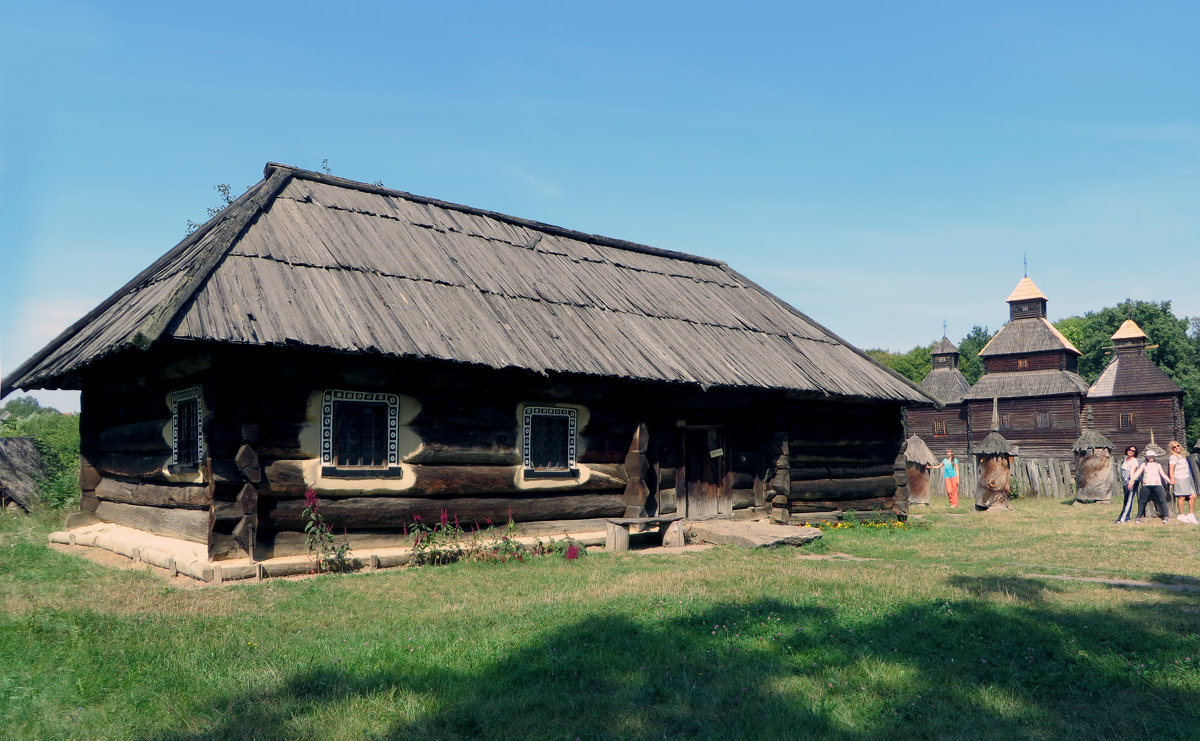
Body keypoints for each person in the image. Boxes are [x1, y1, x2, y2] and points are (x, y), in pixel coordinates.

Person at [1133, 449, 1171, 524]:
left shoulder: (1157, 465)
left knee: (1162, 500)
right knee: (1142, 501)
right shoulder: (1144, 465)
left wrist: (1170, 481)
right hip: (1146, 484)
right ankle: (1138, 517)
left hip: (1157, 484)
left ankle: (1166, 516)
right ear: (1147, 457)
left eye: (1152, 456)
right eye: (1149, 456)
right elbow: (1137, 473)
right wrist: (1132, 480)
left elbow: (1163, 474)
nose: (1151, 457)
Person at [1167, 441, 1198, 524]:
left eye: (1178, 445)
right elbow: (1171, 468)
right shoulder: (1173, 457)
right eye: (1174, 447)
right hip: (1179, 478)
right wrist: (1172, 478)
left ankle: (1191, 514)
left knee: (1193, 496)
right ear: (1171, 449)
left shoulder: (1182, 456)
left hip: (1187, 477)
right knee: (1182, 496)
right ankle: (1181, 514)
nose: (1177, 448)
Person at [1116, 445, 1140, 523]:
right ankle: (1127, 516)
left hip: (1130, 482)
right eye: (1129, 450)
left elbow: (1132, 472)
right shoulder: (1126, 460)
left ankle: (1123, 518)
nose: (1130, 451)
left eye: (1133, 451)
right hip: (1125, 483)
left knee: (1129, 501)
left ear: (1135, 453)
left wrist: (1131, 482)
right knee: (1126, 500)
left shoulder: (1134, 461)